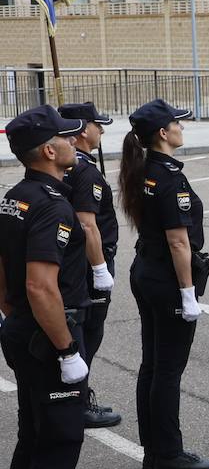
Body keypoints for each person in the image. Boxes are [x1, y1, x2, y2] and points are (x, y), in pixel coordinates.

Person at [0, 106, 107, 469]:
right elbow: (41, 285)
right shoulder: (51, 204)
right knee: (58, 445)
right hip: (50, 335)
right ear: (49, 151)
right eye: (65, 137)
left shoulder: (16, 196)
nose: (73, 142)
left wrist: (15, 317)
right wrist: (66, 351)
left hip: (26, 331)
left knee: (34, 440)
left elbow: (6, 276)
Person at [117, 99, 209, 469]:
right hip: (166, 278)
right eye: (176, 123)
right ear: (163, 133)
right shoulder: (169, 177)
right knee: (168, 369)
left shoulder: (146, 170)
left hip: (146, 270)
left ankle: (153, 450)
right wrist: (188, 293)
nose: (181, 128)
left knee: (153, 364)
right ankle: (168, 454)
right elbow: (179, 242)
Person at [58, 102, 121, 428]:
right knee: (86, 333)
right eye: (98, 125)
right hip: (86, 264)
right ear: (83, 130)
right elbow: (86, 225)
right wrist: (100, 269)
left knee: (79, 331)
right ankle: (77, 401)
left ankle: (72, 396)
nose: (102, 131)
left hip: (68, 262)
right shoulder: (85, 171)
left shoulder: (69, 167)